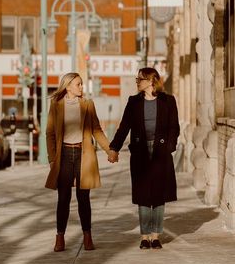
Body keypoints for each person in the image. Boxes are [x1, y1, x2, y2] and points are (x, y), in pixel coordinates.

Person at [108, 67, 179, 250]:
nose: (137, 81)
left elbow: (174, 127)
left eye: (140, 79)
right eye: (137, 78)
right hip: (140, 151)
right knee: (142, 194)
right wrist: (114, 148)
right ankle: (144, 236)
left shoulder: (168, 101)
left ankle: (156, 236)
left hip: (160, 152)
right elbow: (124, 127)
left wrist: (170, 146)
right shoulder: (133, 102)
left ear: (151, 81)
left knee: (158, 194)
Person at [45, 72, 111, 252]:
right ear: (67, 87)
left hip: (83, 154)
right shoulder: (56, 105)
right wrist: (52, 159)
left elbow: (96, 130)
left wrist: (109, 150)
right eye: (78, 84)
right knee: (63, 198)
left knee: (84, 198)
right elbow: (50, 133)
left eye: (82, 84)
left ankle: (87, 236)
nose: (82, 87)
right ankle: (60, 237)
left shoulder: (87, 105)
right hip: (64, 155)